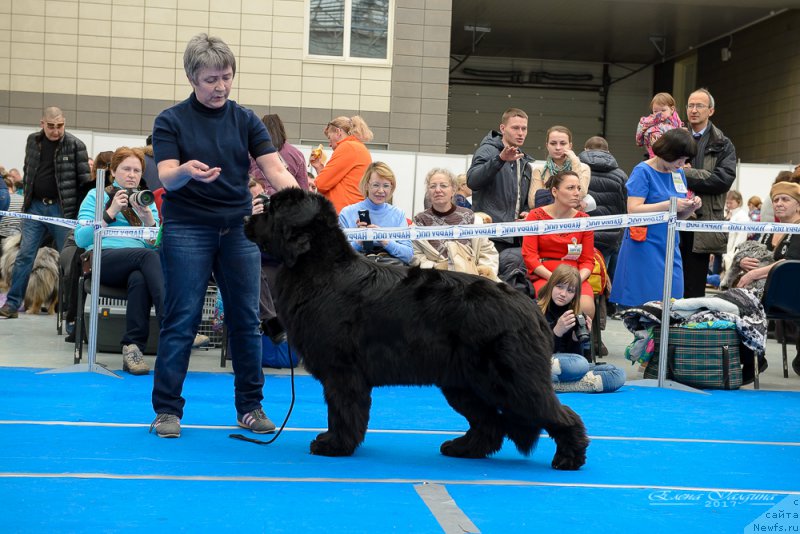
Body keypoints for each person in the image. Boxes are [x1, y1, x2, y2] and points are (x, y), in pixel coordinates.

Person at [149, 33, 298, 439]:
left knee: (246, 320)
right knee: (182, 318)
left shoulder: (245, 119)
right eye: (211, 79)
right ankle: (167, 410)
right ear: (192, 78)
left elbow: (276, 170)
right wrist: (186, 171)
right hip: (187, 227)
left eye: (226, 77)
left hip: (238, 229)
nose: (220, 87)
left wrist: (309, 205)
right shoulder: (170, 120)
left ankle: (250, 407)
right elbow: (165, 175)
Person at [74, 147, 162, 375]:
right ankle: (173, 322)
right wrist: (109, 212)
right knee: (148, 258)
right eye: (126, 169)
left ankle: (132, 349)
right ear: (113, 171)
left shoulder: (145, 198)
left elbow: (155, 243)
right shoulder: (96, 195)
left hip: (138, 262)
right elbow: (81, 238)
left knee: (140, 279)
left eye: (137, 170)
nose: (132, 175)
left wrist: (148, 219)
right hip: (103, 258)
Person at [0, 107, 90, 319]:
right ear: (42, 123)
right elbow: (28, 170)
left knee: (68, 259)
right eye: (51, 126)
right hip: (35, 209)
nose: (56, 130)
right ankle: (12, 305)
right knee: (24, 256)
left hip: (62, 211)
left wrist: (77, 214)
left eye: (60, 126)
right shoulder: (33, 141)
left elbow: (84, 183)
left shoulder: (76, 145)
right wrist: (28, 204)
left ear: (64, 123)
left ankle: (68, 308)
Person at [610, 128, 702, 308]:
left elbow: (679, 215)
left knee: (673, 298)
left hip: (669, 243)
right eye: (680, 159)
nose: (682, 164)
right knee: (644, 301)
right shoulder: (642, 171)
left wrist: (691, 206)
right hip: (644, 245)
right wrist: (669, 204)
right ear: (668, 152)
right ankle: (645, 336)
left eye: (685, 160)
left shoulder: (678, 173)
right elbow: (634, 209)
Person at [735, 182, 800, 377]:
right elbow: (753, 252)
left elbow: (792, 263)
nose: (779, 203)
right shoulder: (769, 229)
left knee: (744, 300)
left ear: (798, 205)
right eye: (775, 200)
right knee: (734, 302)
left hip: (793, 293)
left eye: (785, 199)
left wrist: (754, 273)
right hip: (765, 291)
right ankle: (753, 359)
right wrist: (743, 262)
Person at [680, 88, 737, 298]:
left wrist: (687, 174)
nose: (693, 110)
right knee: (670, 282)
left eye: (699, 106)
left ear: (711, 111)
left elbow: (722, 180)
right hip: (674, 218)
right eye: (690, 105)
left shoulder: (723, 144)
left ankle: (690, 329)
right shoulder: (675, 137)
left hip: (702, 224)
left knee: (694, 287)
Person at [466, 108, 533, 280]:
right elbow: (472, 181)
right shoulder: (487, 151)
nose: (520, 133)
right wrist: (500, 159)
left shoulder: (524, 160)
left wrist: (527, 211)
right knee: (486, 286)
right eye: (515, 128)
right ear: (503, 129)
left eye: (524, 128)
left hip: (515, 237)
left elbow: (520, 198)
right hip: (490, 235)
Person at [538, 265, 626, 392]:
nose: (563, 294)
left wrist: (576, 340)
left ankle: (562, 386)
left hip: (567, 369)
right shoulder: (535, 310)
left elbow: (577, 358)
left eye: (570, 291)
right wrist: (556, 332)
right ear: (551, 285)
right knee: (580, 364)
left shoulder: (575, 314)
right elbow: (535, 353)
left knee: (617, 373)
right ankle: (572, 384)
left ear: (575, 294)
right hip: (541, 364)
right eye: (559, 287)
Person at [521, 170, 596, 318]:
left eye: (578, 188)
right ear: (554, 191)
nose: (577, 193)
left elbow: (587, 261)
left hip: (575, 277)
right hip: (545, 276)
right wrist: (555, 280)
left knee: (586, 307)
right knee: (547, 306)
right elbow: (530, 257)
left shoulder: (584, 219)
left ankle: (580, 340)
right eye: (570, 188)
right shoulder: (535, 216)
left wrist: (574, 282)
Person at [411, 168, 498, 279]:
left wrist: (481, 273)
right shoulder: (419, 222)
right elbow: (415, 256)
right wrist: (436, 268)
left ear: (453, 190)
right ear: (428, 192)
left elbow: (487, 251)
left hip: (471, 280)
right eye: (432, 186)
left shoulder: (471, 218)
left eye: (443, 185)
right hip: (435, 281)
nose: (438, 190)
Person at [338, 162, 413, 264]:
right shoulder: (347, 213)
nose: (381, 191)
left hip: (389, 272)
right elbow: (337, 255)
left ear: (391, 187)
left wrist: (384, 240)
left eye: (386, 186)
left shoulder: (398, 214)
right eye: (376, 185)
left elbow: (408, 255)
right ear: (366, 185)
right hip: (358, 272)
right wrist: (359, 239)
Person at [578, 136, 628, 282]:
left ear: (586, 150)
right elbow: (627, 206)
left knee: (584, 279)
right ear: (608, 151)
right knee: (605, 279)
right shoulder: (621, 175)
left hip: (581, 235)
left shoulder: (576, 173)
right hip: (611, 237)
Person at [309, 115, 373, 213]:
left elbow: (321, 184)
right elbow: (330, 183)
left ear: (338, 132)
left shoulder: (347, 147)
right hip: (354, 212)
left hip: (344, 213)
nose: (330, 144)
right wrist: (319, 167)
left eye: (329, 138)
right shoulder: (357, 147)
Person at [529, 125, 591, 203]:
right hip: (546, 215)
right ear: (547, 146)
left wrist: (575, 162)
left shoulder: (583, 168)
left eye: (563, 143)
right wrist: (567, 197)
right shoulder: (540, 171)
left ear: (570, 146)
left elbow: (580, 194)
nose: (558, 147)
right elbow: (533, 202)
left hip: (572, 215)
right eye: (553, 143)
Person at [250, 114, 308, 193]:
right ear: (282, 129)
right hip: (286, 201)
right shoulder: (296, 154)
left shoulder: (252, 151)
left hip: (258, 199)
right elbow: (304, 187)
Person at [635, 92, 684, 158]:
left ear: (672, 109)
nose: (659, 114)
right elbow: (639, 142)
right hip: (654, 156)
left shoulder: (677, 123)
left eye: (663, 110)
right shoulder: (648, 122)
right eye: (655, 111)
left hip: (673, 157)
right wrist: (642, 131)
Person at [721, 190, 751, 273]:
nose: (728, 205)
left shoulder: (742, 217)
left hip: (732, 255)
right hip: (724, 252)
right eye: (727, 203)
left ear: (738, 202)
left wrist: (732, 255)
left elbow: (740, 239)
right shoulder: (729, 214)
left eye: (731, 203)